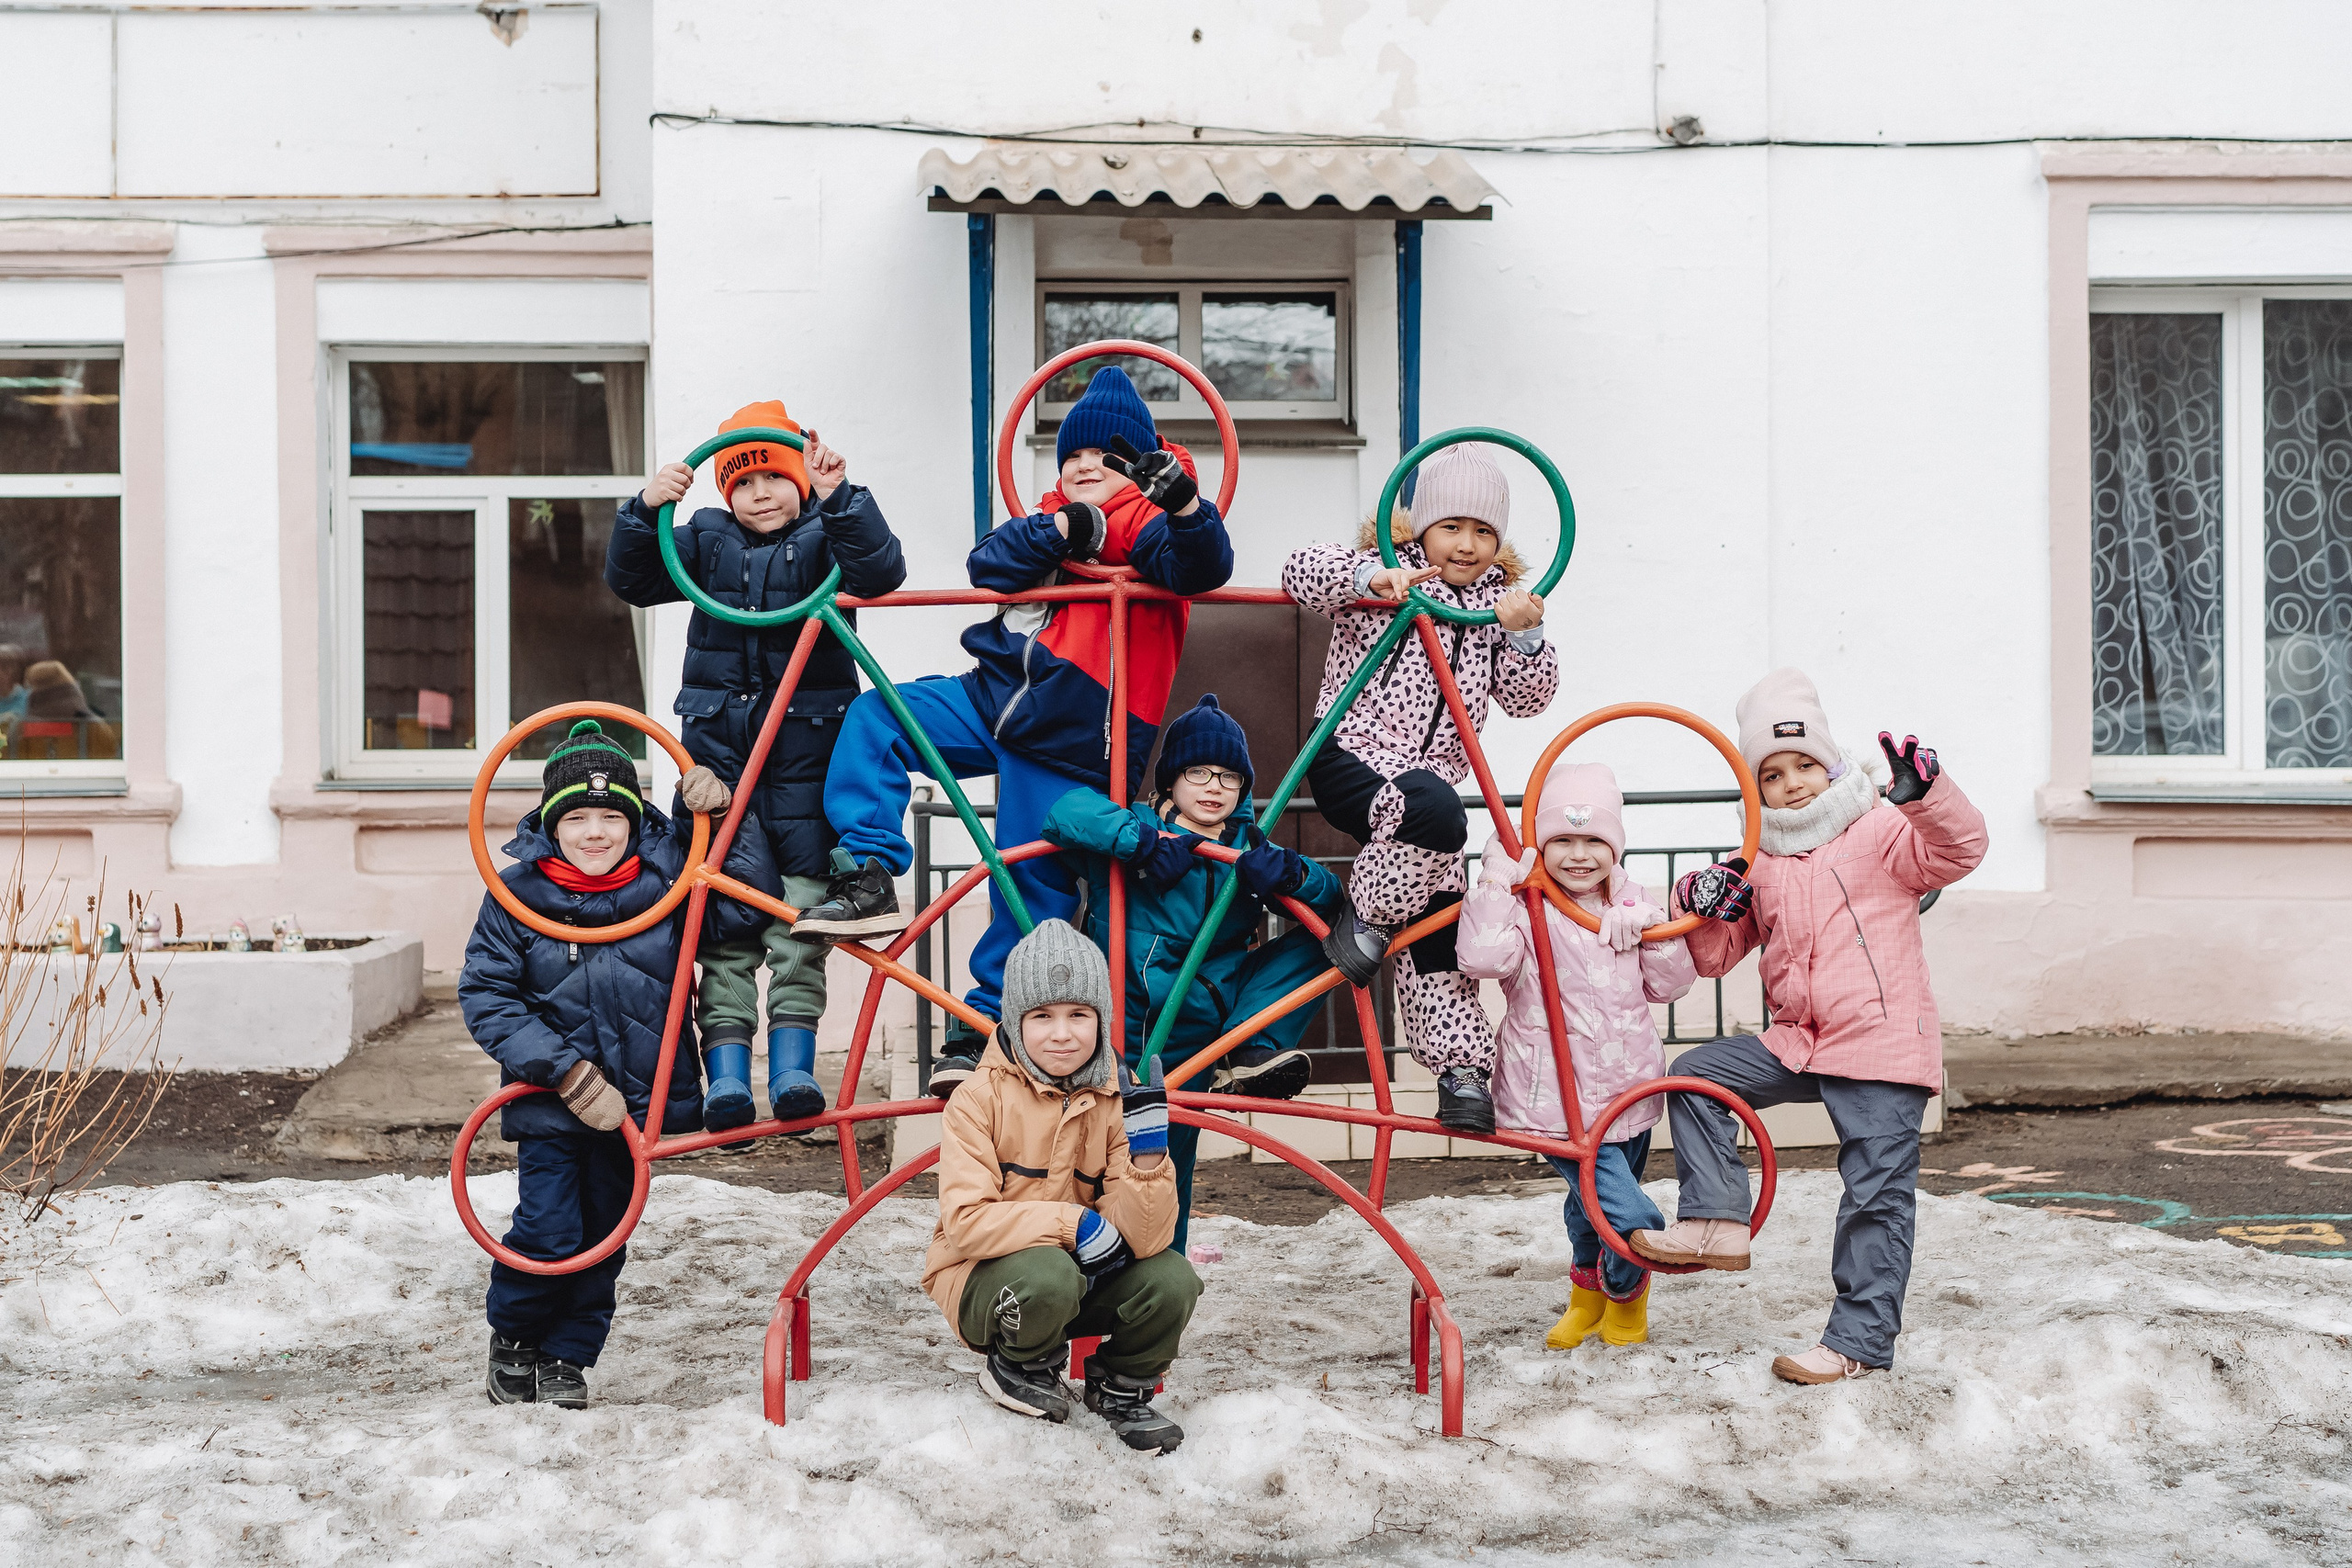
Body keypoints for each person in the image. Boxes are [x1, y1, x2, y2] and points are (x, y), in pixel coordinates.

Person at [807, 367, 1235, 1096]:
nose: (1083, 468)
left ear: (1137, 467)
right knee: (879, 713)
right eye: (1071, 458)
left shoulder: (1151, 525)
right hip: (993, 698)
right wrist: (1066, 525)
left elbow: (1203, 565)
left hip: (1072, 736)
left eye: (1104, 457)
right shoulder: (1049, 515)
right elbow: (988, 564)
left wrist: (1186, 504)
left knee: (1025, 882)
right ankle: (873, 871)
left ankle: (977, 1034)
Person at [1636, 668, 1986, 1385]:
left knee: (1874, 1194)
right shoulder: (1760, 860)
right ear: (1754, 788)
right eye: (1772, 773)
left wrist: (1928, 796)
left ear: (1831, 765)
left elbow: (1958, 851)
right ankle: (1718, 1219)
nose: (1793, 783)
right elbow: (1714, 955)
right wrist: (1700, 896)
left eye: (1805, 765)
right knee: (1699, 1077)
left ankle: (1857, 1340)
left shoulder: (1881, 828)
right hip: (1801, 1040)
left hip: (1882, 1040)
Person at [606, 401, 907, 1133]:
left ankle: (797, 1072)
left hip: (807, 774)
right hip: (722, 771)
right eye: (743, 484)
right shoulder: (703, 542)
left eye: (775, 477)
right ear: (724, 493)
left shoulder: (825, 538)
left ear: (801, 482)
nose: (760, 494)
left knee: (799, 932)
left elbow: (883, 570)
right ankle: (730, 1083)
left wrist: (842, 498)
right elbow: (632, 579)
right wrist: (644, 509)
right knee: (726, 941)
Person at [458, 720, 776, 1407]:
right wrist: (564, 1071)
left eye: (611, 815)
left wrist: (725, 818)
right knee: (548, 1227)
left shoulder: (671, 878)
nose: (595, 831)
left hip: (635, 1100)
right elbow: (486, 992)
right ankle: (515, 1337)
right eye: (577, 816)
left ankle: (568, 1353)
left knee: (606, 1232)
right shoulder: (518, 893)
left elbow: (743, 907)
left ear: (635, 820)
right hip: (553, 1097)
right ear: (550, 823)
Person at [1279, 444, 1557, 1134]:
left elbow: (1529, 700)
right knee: (1439, 813)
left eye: (1484, 532)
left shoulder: (1498, 605)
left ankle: (1461, 1069)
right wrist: (1372, 577)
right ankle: (1367, 915)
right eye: (1453, 526)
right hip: (1352, 754)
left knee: (1440, 924)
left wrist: (1528, 636)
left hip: (1426, 786)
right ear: (1422, 527)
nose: (1467, 544)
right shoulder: (1387, 577)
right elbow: (1299, 573)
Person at [1040, 694, 1340, 1250]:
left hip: (1198, 1039)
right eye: (1197, 771)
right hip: (1118, 1035)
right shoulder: (1132, 831)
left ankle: (1253, 1049)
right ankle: (1076, 1283)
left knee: (1168, 1172)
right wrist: (1142, 846)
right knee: (1089, 1168)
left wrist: (1292, 875)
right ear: (1171, 780)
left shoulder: (1249, 851)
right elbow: (1061, 814)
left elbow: (1332, 900)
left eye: (1229, 776)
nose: (1214, 786)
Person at [922, 919, 1200, 1453]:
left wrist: (1146, 1163)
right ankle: (1018, 1364)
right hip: (987, 1282)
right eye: (1042, 1016)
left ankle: (1120, 1388)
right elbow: (966, 1224)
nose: (1062, 1033)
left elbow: (1145, 1243)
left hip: (1079, 1281)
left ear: (1102, 1020)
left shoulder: (1117, 1102)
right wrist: (1073, 1223)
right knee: (1048, 1272)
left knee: (1173, 1278)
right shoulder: (980, 1099)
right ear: (1015, 1021)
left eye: (1079, 1015)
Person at [1455, 763, 1694, 1349]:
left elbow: (1671, 986)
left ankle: (1586, 1299)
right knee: (1626, 1212)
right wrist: (1494, 881)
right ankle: (1626, 1294)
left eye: (1595, 841)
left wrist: (1653, 930)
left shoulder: (1636, 904)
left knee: (1586, 1208)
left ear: (1616, 848)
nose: (1580, 855)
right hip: (1549, 1097)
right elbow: (1482, 960)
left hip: (1626, 1090)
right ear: (1542, 845)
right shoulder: (1521, 902)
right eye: (1563, 839)